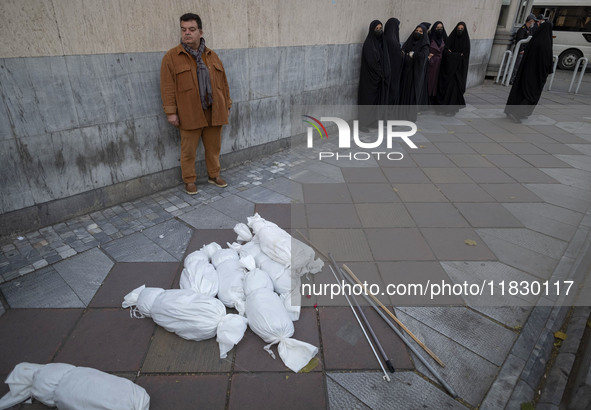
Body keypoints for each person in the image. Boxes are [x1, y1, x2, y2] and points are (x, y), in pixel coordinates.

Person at [160, 13, 232, 195]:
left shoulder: (212, 56)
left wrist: (227, 105)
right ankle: (189, 180)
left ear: (200, 32)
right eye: (183, 30)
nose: (187, 33)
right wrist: (171, 112)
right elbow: (167, 86)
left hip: (214, 110)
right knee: (188, 150)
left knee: (214, 147)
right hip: (189, 112)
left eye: (191, 29)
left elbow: (223, 83)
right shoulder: (171, 57)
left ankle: (214, 175)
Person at [504, 21, 554, 123]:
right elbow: (546, 63)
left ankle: (511, 110)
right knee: (531, 95)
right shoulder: (547, 44)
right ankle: (518, 113)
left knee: (521, 91)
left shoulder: (534, 40)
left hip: (526, 73)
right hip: (537, 76)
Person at [358, 20, 388, 131]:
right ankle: (363, 123)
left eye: (381, 28)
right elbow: (372, 63)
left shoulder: (379, 44)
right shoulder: (369, 44)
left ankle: (371, 121)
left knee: (374, 102)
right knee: (367, 101)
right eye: (377, 29)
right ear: (372, 30)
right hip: (369, 79)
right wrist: (380, 71)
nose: (379, 30)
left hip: (377, 79)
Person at [436, 21, 471, 116]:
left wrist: (453, 55)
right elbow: (446, 52)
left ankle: (451, 110)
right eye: (458, 29)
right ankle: (442, 108)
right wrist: (457, 55)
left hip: (457, 73)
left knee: (453, 91)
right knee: (445, 88)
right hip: (447, 70)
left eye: (461, 29)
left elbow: (464, 57)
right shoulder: (450, 39)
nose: (459, 31)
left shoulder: (466, 42)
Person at [399, 24, 430, 121]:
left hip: (415, 75)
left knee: (412, 95)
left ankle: (409, 116)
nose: (418, 33)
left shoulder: (425, 45)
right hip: (406, 73)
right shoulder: (409, 41)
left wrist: (414, 55)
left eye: (421, 31)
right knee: (404, 93)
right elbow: (403, 51)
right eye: (417, 30)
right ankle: (401, 114)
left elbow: (423, 56)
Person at [510, 14, 537, 85]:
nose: (534, 23)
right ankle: (512, 79)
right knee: (516, 66)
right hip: (520, 51)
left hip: (524, 51)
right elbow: (519, 40)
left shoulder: (529, 29)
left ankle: (515, 79)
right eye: (533, 21)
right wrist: (521, 50)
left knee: (519, 66)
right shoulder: (522, 29)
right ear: (530, 21)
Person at [383, 18, 404, 107]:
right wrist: (402, 54)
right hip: (393, 71)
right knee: (392, 91)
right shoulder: (392, 40)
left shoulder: (385, 37)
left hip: (387, 70)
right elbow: (397, 56)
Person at [426, 21, 448, 106]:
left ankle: (434, 99)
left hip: (440, 64)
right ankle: (427, 99)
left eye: (441, 28)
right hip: (431, 64)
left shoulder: (444, 39)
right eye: (437, 28)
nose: (439, 29)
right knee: (429, 81)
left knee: (437, 82)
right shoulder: (429, 38)